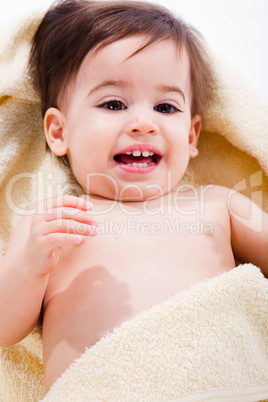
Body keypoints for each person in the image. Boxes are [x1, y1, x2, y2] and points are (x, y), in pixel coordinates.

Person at [0, 0, 267, 392]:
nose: (144, 123)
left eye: (165, 106)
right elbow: (4, 328)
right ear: (59, 132)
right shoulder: (52, 221)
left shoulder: (218, 203)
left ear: (192, 136)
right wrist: (31, 265)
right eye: (113, 103)